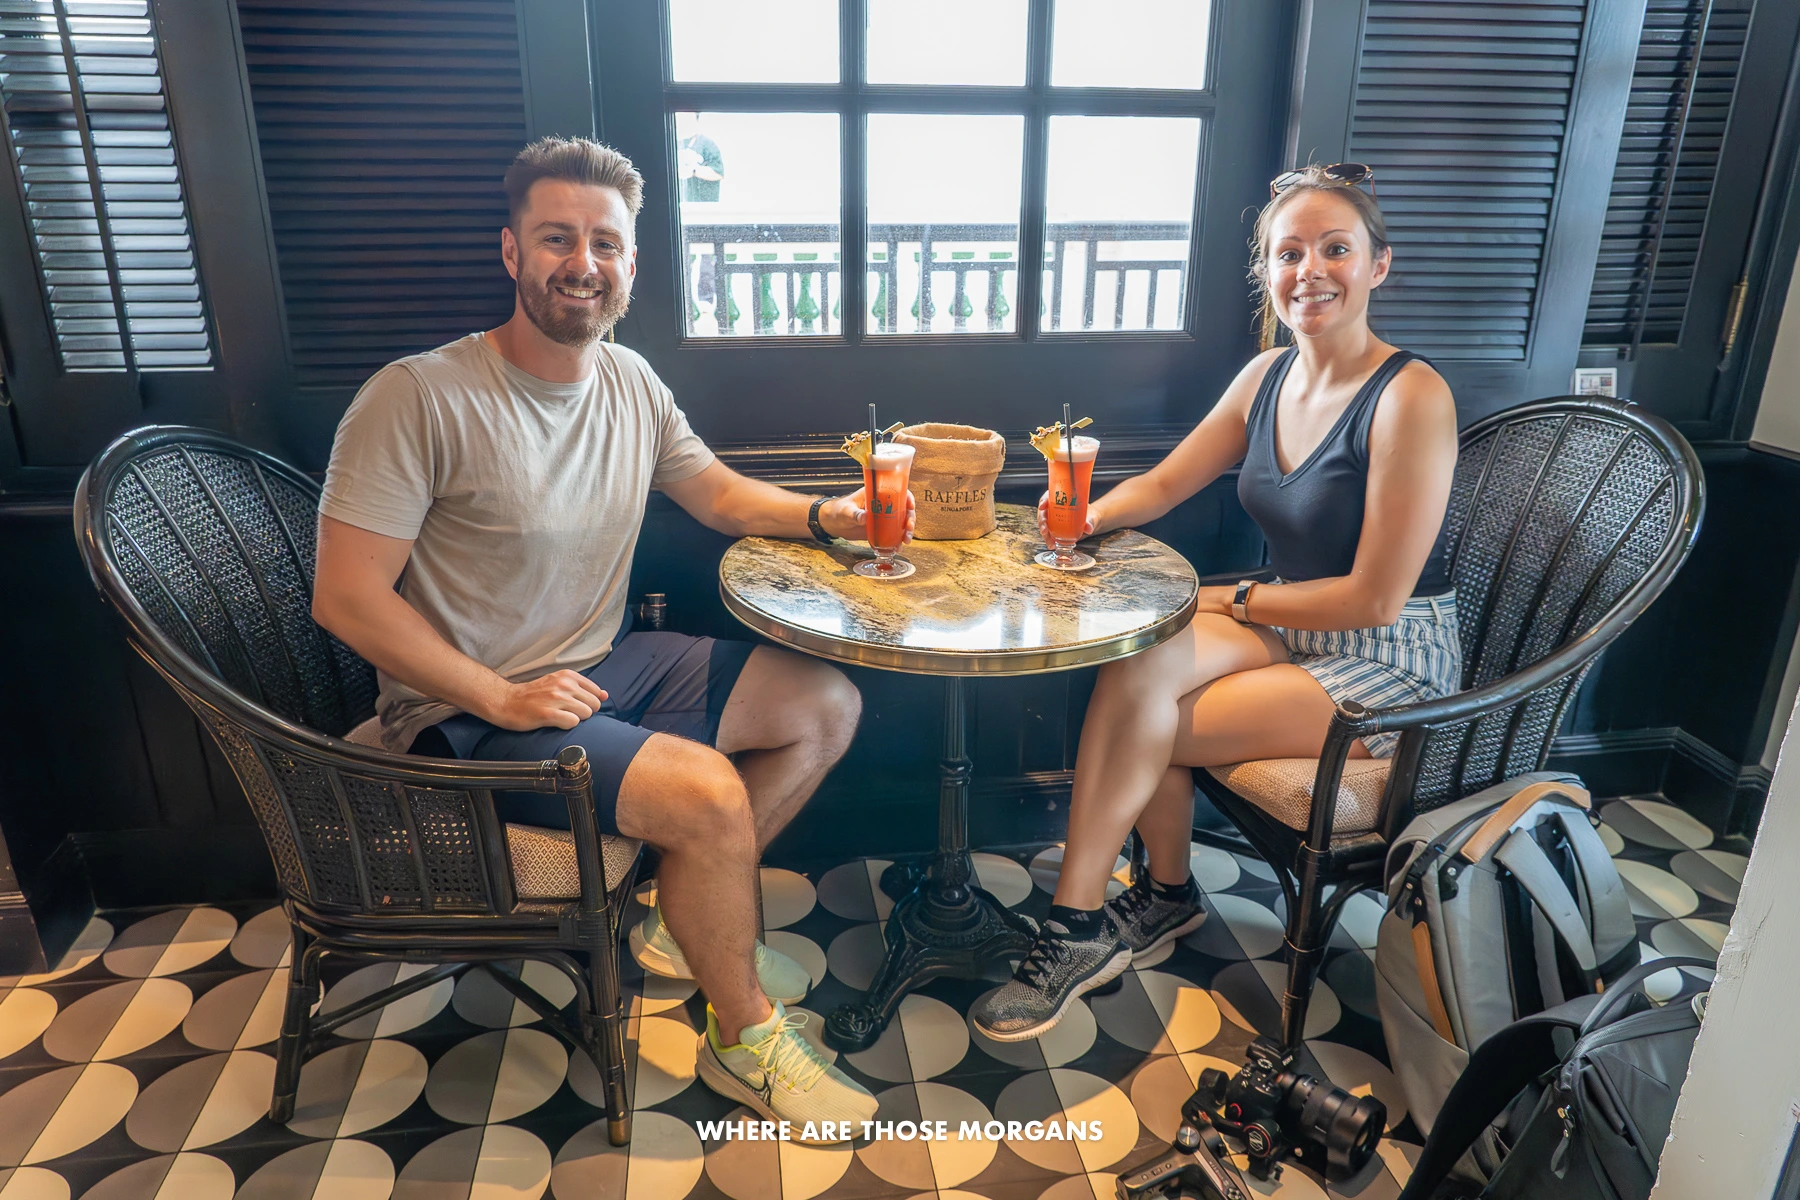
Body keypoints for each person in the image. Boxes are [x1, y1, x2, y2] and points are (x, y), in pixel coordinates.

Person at [312, 136, 905, 1135]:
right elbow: (346, 597)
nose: (581, 262)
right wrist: (499, 696)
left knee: (825, 703)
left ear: (632, 264)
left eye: (605, 243)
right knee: (710, 796)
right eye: (556, 238)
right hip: (469, 713)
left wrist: (827, 517)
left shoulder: (629, 381)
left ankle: (692, 920)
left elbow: (712, 491)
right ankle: (743, 1032)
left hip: (600, 667)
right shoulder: (416, 397)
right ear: (511, 253)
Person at [972, 165, 1460, 1042]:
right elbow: (1165, 480)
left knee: (1147, 715)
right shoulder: (1268, 374)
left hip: (1391, 650)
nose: (1309, 270)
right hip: (1290, 621)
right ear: (1267, 274)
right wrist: (1079, 522)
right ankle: (1161, 897)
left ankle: (1085, 922)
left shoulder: (1411, 396)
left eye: (1335, 249)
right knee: (1141, 660)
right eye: (1289, 253)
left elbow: (1376, 597)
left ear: (1378, 266)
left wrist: (1224, 597)